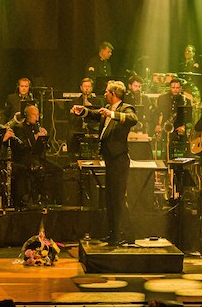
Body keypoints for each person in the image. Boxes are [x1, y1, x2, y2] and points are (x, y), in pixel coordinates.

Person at [71, 79, 136, 245]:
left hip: (119, 159)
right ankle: (115, 233)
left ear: (113, 94)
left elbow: (132, 119)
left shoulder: (124, 108)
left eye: (107, 92)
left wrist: (112, 114)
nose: (105, 95)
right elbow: (94, 115)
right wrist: (83, 111)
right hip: (110, 159)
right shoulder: (107, 109)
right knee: (110, 198)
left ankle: (124, 234)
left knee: (118, 198)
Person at [8, 104, 61, 208]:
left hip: (37, 157)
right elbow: (21, 147)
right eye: (34, 115)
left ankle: (55, 199)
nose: (36, 117)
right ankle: (37, 198)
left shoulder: (37, 127)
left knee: (58, 170)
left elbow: (45, 148)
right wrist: (35, 138)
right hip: (24, 158)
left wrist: (44, 139)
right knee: (38, 169)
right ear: (27, 116)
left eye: (37, 115)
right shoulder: (19, 128)